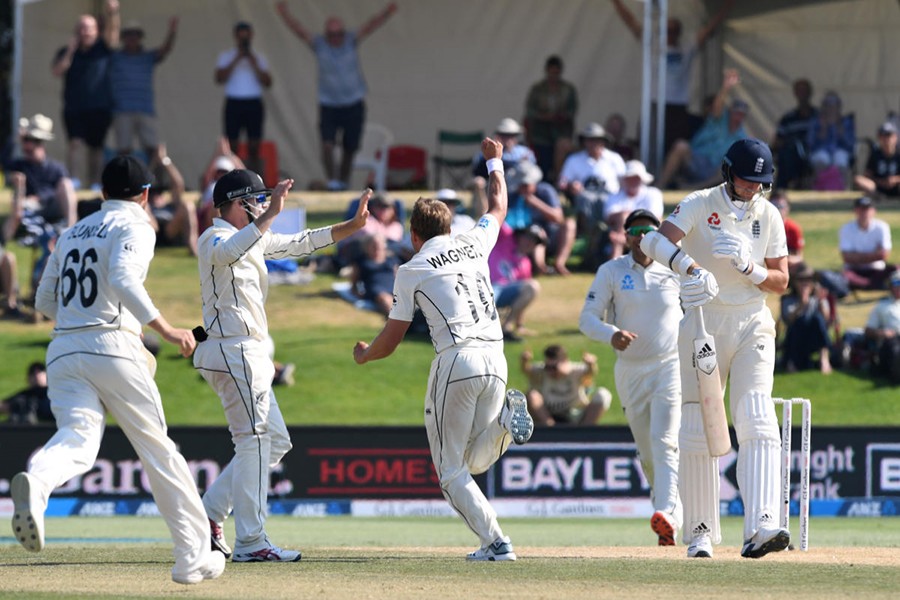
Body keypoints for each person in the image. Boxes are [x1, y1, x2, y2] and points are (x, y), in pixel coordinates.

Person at [13, 155, 225, 584]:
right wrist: (166, 330)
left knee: (78, 440)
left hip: (63, 351)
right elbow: (124, 279)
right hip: (111, 347)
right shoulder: (136, 225)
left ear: (103, 192)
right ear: (145, 195)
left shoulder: (72, 232)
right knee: (159, 451)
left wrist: (82, 319)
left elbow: (43, 302)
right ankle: (192, 558)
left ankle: (36, 484)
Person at [353, 137, 534, 562]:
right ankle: (506, 423)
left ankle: (496, 543)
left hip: (457, 360)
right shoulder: (475, 242)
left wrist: (364, 356)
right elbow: (498, 208)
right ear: (449, 229)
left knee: (450, 471)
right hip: (496, 357)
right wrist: (495, 163)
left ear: (414, 235)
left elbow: (392, 338)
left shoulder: (411, 267)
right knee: (472, 461)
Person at [194, 169, 370, 563]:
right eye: (254, 201)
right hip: (231, 349)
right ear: (239, 204)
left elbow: (301, 243)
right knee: (253, 441)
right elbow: (228, 252)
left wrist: (352, 226)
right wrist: (268, 215)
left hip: (246, 353)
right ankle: (251, 542)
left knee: (273, 441)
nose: (260, 206)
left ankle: (206, 514)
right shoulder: (214, 237)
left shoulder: (251, 238)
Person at [639, 138, 791, 559]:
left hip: (752, 323)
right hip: (703, 323)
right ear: (728, 172)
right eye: (745, 180)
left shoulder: (769, 214)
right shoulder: (698, 203)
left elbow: (781, 282)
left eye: (759, 182)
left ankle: (762, 525)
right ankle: (701, 532)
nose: (752, 189)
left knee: (757, 414)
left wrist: (750, 268)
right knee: (698, 423)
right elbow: (652, 242)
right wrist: (689, 267)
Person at [579, 208, 683, 546]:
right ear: (626, 236)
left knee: (665, 441)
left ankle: (668, 513)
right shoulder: (611, 271)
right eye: (635, 231)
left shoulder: (675, 269)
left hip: (669, 365)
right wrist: (611, 334)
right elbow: (587, 318)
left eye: (649, 231)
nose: (642, 237)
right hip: (630, 370)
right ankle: (666, 517)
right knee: (647, 452)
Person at [276, 1, 398, 191]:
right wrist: (284, 14)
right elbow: (299, 30)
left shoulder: (351, 40)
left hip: (353, 102)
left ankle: (343, 181)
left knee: (350, 147)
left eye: (338, 34)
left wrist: (387, 12)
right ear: (326, 34)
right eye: (331, 35)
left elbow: (370, 25)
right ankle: (333, 181)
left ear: (344, 33)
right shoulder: (319, 44)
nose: (335, 38)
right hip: (329, 104)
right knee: (327, 144)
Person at [612, 0, 735, 154]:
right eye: (667, 30)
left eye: (674, 30)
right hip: (655, 104)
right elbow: (630, 21)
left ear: (679, 32)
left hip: (677, 106)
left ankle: (669, 177)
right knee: (648, 145)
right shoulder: (653, 45)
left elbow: (709, 29)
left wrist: (727, 6)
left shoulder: (686, 48)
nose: (670, 34)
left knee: (674, 147)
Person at [51, 0, 120, 188]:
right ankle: (73, 179)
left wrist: (113, 13)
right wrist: (71, 50)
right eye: (82, 28)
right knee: (75, 144)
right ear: (76, 31)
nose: (85, 32)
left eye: (89, 28)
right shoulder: (67, 51)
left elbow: (113, 34)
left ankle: (96, 182)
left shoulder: (102, 49)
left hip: (100, 106)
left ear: (96, 30)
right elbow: (57, 71)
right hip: (74, 107)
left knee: (96, 148)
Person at [658, 69, 749, 189]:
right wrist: (726, 87)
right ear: (730, 112)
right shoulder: (719, 120)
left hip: (713, 171)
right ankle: (660, 187)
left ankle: (692, 188)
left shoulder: (742, 137)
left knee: (730, 170)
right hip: (695, 159)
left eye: (741, 114)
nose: (738, 116)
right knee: (681, 146)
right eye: (736, 112)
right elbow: (718, 104)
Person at [108, 16, 178, 157]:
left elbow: (166, 49)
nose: (132, 38)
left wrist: (172, 32)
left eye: (135, 34)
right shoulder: (115, 57)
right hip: (122, 110)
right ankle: (124, 178)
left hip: (145, 109)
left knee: (152, 149)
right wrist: (111, 15)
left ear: (140, 37)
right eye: (128, 34)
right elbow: (108, 39)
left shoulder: (148, 57)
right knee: (123, 150)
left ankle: (157, 179)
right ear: (123, 38)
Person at [214, 22, 273, 174]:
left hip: (253, 103)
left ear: (251, 36)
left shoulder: (259, 57)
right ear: (236, 37)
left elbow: (267, 82)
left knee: (254, 145)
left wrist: (252, 62)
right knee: (232, 144)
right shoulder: (226, 56)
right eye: (241, 38)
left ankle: (254, 178)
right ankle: (233, 176)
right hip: (234, 102)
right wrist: (237, 58)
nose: (244, 41)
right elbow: (219, 78)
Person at [6, 114, 78, 236]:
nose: (27, 146)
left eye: (32, 141)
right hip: (28, 208)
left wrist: (40, 197)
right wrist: (14, 139)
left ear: (41, 144)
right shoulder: (20, 165)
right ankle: (6, 239)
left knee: (66, 183)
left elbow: (62, 190)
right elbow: (4, 161)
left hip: (52, 205)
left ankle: (71, 230)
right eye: (25, 140)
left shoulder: (56, 167)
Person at [520, 345, 611, 427]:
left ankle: (585, 430)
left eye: (554, 368)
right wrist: (524, 361)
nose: (550, 372)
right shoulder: (542, 371)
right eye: (548, 367)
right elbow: (527, 370)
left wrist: (591, 364)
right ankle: (551, 430)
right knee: (532, 395)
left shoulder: (575, 370)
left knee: (603, 394)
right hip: (549, 415)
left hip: (575, 414)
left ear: (565, 361)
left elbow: (590, 373)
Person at [524, 55, 579, 182]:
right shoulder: (538, 89)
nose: (554, 75)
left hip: (562, 132)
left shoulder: (568, 89)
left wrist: (562, 116)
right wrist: (544, 116)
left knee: (562, 157)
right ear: (547, 71)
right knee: (543, 165)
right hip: (540, 135)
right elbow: (530, 111)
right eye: (551, 72)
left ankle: (559, 182)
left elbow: (573, 109)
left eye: (556, 72)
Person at [489, 223, 543, 342]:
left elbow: (523, 295)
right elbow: (494, 215)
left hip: (502, 294)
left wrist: (520, 325)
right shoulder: (505, 238)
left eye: (534, 241)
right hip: (485, 286)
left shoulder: (526, 263)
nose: (530, 242)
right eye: (528, 237)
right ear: (519, 236)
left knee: (532, 286)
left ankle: (506, 328)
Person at [603, 161, 664, 260]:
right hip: (624, 232)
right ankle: (616, 261)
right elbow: (608, 216)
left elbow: (656, 218)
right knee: (621, 223)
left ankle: (616, 258)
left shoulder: (653, 194)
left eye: (636, 178)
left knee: (623, 226)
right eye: (630, 178)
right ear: (625, 179)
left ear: (642, 180)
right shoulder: (615, 195)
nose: (633, 181)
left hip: (647, 231)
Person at [778, 265, 832, 375]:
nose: (805, 283)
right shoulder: (787, 299)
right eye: (801, 280)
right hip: (795, 338)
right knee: (800, 320)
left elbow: (826, 319)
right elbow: (788, 320)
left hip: (814, 337)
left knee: (817, 317)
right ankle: (791, 362)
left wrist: (820, 300)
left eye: (808, 280)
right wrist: (802, 304)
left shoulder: (818, 298)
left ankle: (824, 359)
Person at [144, 145, 198, 255]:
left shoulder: (170, 202)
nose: (156, 196)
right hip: (152, 229)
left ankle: (193, 246)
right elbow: (143, 181)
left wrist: (165, 160)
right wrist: (154, 161)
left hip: (170, 229)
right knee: (144, 207)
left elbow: (178, 183)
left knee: (188, 206)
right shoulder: (146, 198)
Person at [839, 196, 896, 290]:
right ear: (855, 211)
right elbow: (846, 257)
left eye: (867, 209)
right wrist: (874, 254)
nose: (864, 213)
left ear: (874, 211)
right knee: (845, 275)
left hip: (877, 269)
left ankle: (865, 284)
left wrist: (856, 256)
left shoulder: (882, 227)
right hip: (854, 270)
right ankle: (870, 284)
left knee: (896, 269)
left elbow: (884, 254)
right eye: (861, 209)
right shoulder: (846, 229)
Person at [772, 78, 817, 189]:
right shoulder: (788, 118)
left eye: (805, 91)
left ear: (810, 93)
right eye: (799, 91)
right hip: (792, 155)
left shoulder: (818, 116)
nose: (802, 94)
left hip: (814, 153)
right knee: (785, 155)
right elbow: (777, 141)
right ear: (795, 94)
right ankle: (780, 191)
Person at [806, 91, 855, 191]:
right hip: (820, 151)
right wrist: (822, 129)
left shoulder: (846, 122)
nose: (831, 108)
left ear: (839, 106)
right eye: (828, 105)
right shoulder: (815, 121)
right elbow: (809, 144)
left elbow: (851, 144)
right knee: (821, 159)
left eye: (834, 105)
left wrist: (840, 129)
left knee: (840, 159)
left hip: (840, 151)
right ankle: (819, 188)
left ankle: (843, 189)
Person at [349, 232, 399, 317]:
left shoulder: (391, 260)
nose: (377, 249)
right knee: (386, 300)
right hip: (376, 289)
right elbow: (354, 281)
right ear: (367, 247)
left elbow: (398, 276)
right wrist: (356, 292)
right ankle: (398, 321)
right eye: (373, 246)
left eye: (379, 246)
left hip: (393, 287)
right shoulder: (361, 261)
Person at [864, 271, 900, 383]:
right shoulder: (881, 306)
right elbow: (868, 330)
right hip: (892, 340)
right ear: (891, 286)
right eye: (896, 283)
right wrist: (882, 333)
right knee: (895, 349)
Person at [471, 118, 537, 178]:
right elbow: (477, 171)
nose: (509, 139)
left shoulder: (525, 152)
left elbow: (533, 171)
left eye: (512, 136)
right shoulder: (487, 152)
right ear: (498, 136)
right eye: (504, 135)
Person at [854, 121, 900, 199]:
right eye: (883, 136)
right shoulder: (875, 154)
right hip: (878, 188)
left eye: (889, 135)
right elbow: (867, 175)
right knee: (858, 179)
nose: (886, 139)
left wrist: (895, 180)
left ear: (895, 137)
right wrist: (880, 181)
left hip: (896, 187)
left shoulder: (898, 154)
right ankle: (877, 197)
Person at [769, 190, 804, 273]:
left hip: (788, 266)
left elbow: (799, 257)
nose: (777, 209)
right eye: (774, 205)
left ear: (788, 208)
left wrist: (786, 260)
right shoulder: (761, 226)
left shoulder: (793, 228)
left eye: (781, 206)